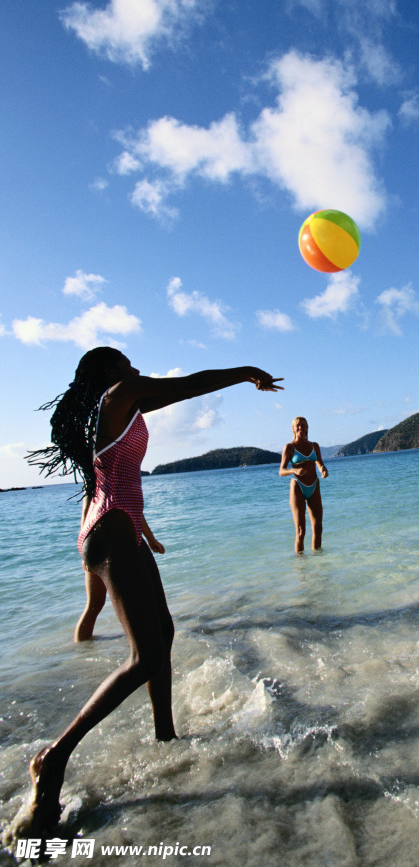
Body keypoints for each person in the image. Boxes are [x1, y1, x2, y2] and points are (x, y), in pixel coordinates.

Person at [14, 347, 282, 838]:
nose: (134, 368)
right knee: (144, 655)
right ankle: (53, 758)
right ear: (108, 372)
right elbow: (188, 385)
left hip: (124, 527)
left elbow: (171, 400)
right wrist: (245, 371)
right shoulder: (119, 395)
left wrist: (145, 530)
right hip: (110, 530)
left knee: (164, 631)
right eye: (125, 361)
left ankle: (165, 735)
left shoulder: (122, 405)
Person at [74, 513, 164, 642]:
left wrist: (151, 539)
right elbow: (86, 513)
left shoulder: (123, 493)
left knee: (98, 604)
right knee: (96, 603)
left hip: (102, 543)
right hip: (102, 543)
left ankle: (83, 653)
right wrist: (84, 552)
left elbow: (137, 511)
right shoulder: (95, 492)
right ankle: (80, 653)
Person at [279, 416, 328, 553]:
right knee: (301, 531)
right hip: (298, 486)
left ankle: (318, 565)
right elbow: (281, 471)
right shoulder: (289, 447)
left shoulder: (314, 446)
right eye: (298, 425)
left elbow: (319, 463)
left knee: (318, 528)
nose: (301, 427)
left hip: (314, 485)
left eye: (303, 425)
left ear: (307, 428)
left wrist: (323, 470)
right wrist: (294, 470)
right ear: (293, 429)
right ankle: (301, 570)